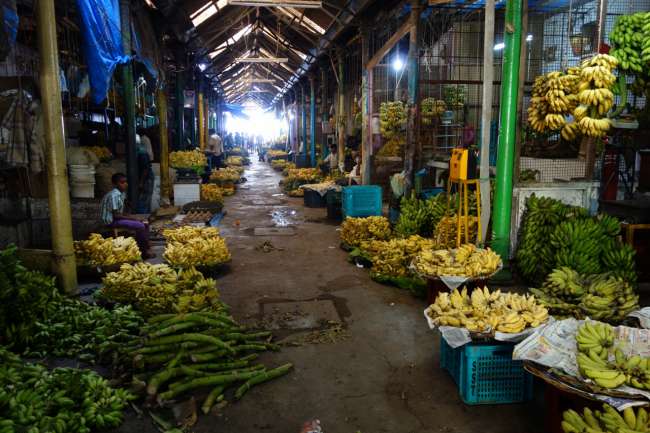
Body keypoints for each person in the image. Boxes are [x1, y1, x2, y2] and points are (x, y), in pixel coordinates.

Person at [100, 173, 153, 258]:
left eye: (126, 182)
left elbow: (121, 211)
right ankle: (143, 252)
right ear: (115, 184)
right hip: (111, 221)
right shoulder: (114, 195)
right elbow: (116, 215)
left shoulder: (122, 194)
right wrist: (133, 218)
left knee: (145, 222)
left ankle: (145, 246)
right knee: (140, 226)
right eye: (122, 182)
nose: (125, 184)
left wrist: (133, 216)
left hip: (117, 218)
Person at [136, 140, 154, 214]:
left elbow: (145, 168)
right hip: (144, 178)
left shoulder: (141, 152)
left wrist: (141, 182)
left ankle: (143, 218)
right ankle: (146, 217)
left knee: (144, 199)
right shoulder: (139, 150)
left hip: (146, 179)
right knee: (145, 200)